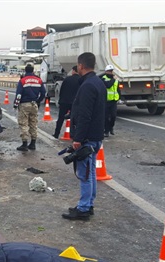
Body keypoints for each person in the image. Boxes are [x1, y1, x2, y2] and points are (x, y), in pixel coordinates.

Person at [62, 52, 106, 221]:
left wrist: (78, 139)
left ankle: (84, 208)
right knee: (91, 172)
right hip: (95, 135)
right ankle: (88, 204)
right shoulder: (98, 83)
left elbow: (84, 115)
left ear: (80, 65)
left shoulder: (88, 86)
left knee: (85, 174)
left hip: (87, 138)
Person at [13, 63, 46, 151]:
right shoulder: (39, 80)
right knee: (33, 123)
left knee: (24, 123)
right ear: (33, 70)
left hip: (24, 104)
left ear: (25, 70)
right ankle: (33, 143)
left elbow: (19, 94)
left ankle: (24, 144)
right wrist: (38, 101)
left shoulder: (23, 80)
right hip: (34, 104)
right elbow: (43, 93)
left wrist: (15, 104)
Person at [53, 65, 80, 138]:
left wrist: (60, 100)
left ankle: (56, 133)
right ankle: (75, 135)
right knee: (75, 120)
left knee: (60, 119)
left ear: (74, 71)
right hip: (74, 103)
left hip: (64, 102)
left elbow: (62, 90)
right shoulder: (81, 80)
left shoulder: (67, 79)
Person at [101, 64, 119, 137]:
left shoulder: (115, 80)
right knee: (105, 117)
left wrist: (119, 98)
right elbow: (108, 85)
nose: (110, 72)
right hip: (105, 101)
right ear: (106, 71)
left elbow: (117, 90)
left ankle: (111, 127)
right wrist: (113, 79)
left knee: (113, 116)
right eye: (109, 71)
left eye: (111, 71)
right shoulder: (103, 78)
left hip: (113, 101)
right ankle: (106, 131)